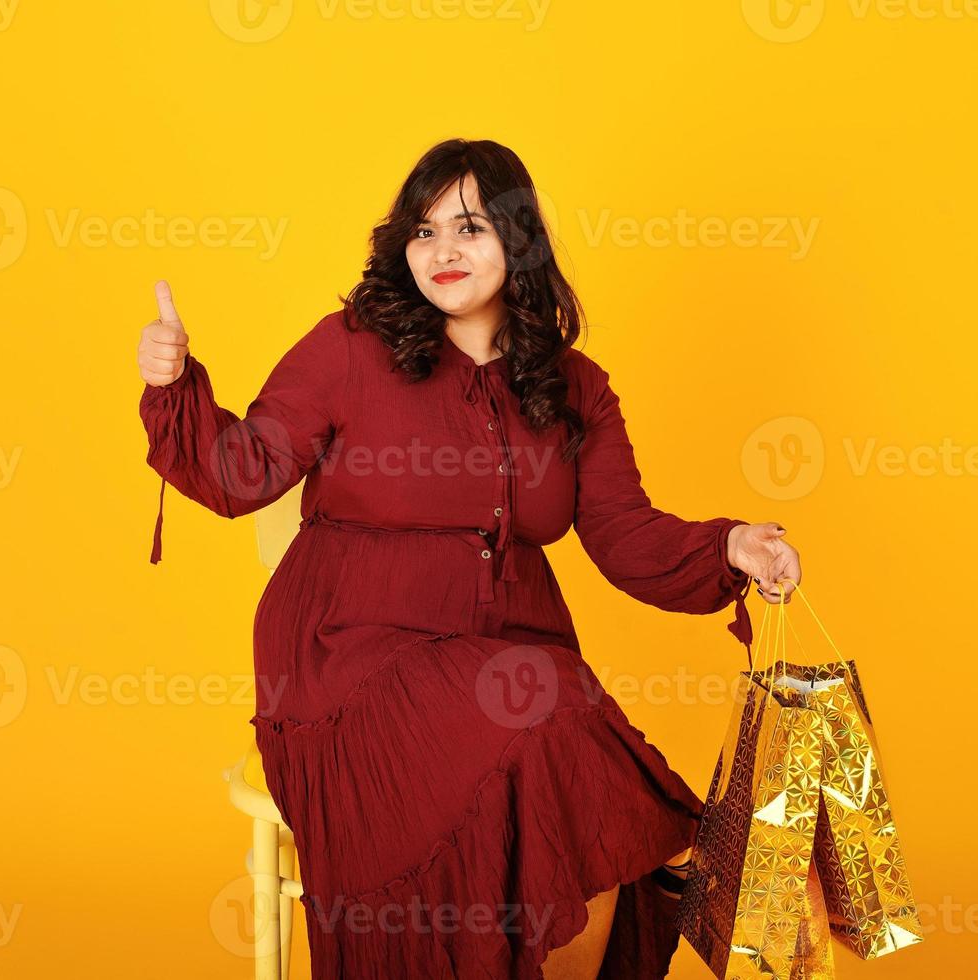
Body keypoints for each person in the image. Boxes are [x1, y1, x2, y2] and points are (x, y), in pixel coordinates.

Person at [136, 138, 801, 979]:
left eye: (469, 227)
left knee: (566, 753)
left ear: (517, 241)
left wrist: (731, 544)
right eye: (422, 232)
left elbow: (624, 533)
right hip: (346, 658)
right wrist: (173, 384)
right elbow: (241, 473)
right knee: (548, 711)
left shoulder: (575, 388)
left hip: (513, 658)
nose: (443, 252)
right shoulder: (348, 349)